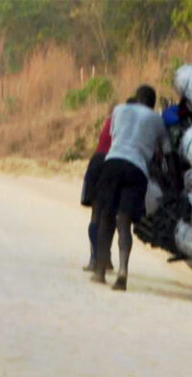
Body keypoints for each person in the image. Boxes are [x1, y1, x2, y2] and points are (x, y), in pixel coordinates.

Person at [91, 85, 177, 291]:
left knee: (106, 217)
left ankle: (101, 270)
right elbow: (166, 151)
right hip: (137, 169)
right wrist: (173, 181)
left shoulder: (119, 110)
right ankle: (122, 272)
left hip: (112, 163)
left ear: (136, 99)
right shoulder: (156, 119)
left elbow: (114, 136)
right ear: (152, 102)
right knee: (124, 220)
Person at [80, 104, 114, 271]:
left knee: (96, 214)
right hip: (113, 163)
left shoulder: (109, 121)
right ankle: (105, 258)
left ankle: (95, 259)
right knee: (110, 216)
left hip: (99, 162)